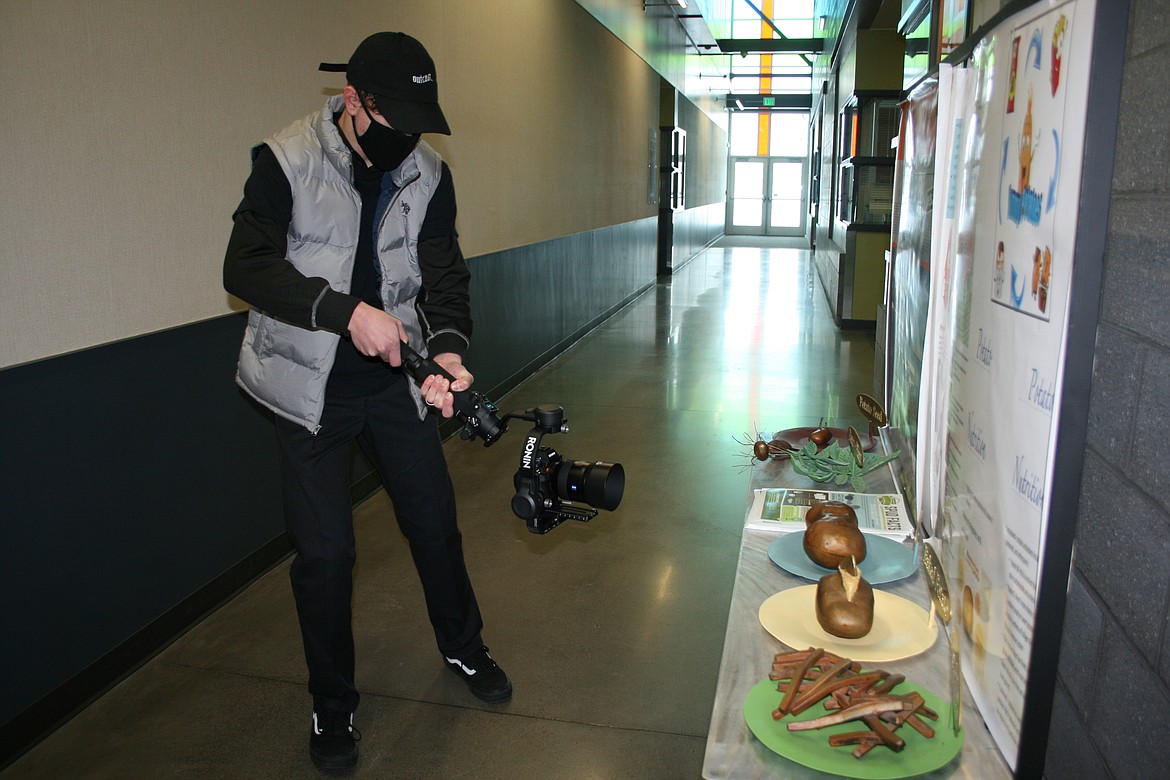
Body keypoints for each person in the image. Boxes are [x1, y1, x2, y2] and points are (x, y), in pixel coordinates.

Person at [222, 31, 510, 772]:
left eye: (418, 126)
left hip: (393, 386)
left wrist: (448, 353)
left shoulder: (429, 174)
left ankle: (464, 647)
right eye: (394, 122)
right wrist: (345, 311)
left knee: (434, 522)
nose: (407, 140)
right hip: (308, 389)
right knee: (326, 556)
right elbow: (245, 266)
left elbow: (444, 275)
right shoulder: (286, 160)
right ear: (353, 100)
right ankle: (331, 703)